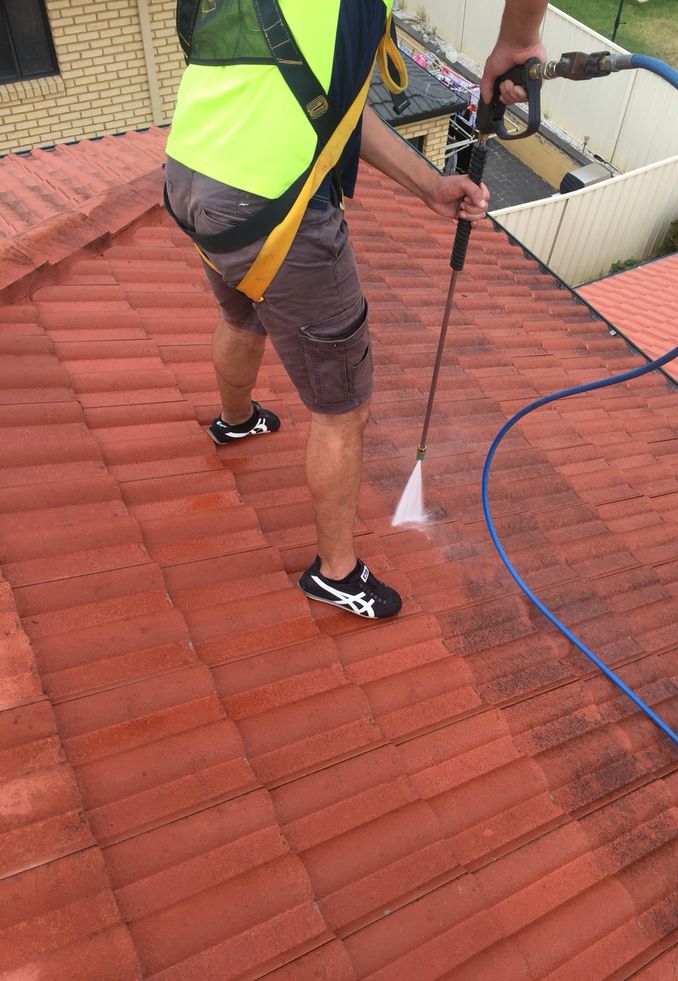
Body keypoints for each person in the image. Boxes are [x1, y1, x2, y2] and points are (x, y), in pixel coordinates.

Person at [164, 0, 547, 621]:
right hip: (274, 202)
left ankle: (236, 421)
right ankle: (335, 572)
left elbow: (331, 105)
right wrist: (519, 39)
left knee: (241, 313)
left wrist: (428, 186)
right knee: (343, 409)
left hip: (192, 176)